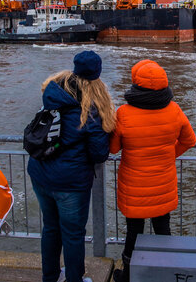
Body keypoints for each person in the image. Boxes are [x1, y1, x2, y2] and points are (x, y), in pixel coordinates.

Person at [27, 50, 116, 282]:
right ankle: (74, 279)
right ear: (97, 75)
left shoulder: (53, 91)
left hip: (40, 173)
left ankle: (50, 277)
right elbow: (99, 153)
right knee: (73, 234)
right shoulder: (91, 110)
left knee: (51, 229)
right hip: (70, 183)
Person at [109, 60, 196, 282]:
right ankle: (166, 275)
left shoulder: (124, 113)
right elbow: (189, 140)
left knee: (133, 233)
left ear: (136, 84)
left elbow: (113, 148)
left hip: (134, 186)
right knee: (163, 231)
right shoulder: (174, 110)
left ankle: (127, 276)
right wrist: (168, 155)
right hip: (163, 184)